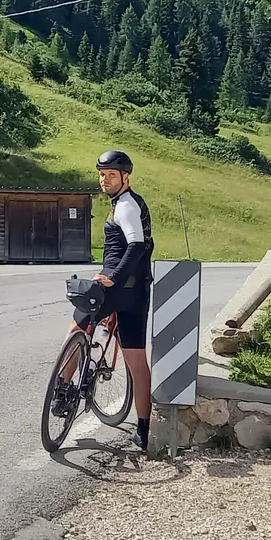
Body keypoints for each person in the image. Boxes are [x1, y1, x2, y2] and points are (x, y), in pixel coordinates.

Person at [76, 149, 155, 449]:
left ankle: (62, 390)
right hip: (139, 290)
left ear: (126, 177)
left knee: (76, 326)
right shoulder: (133, 204)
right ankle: (144, 431)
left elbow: (136, 245)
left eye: (111, 175)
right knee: (137, 360)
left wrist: (114, 278)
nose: (104, 180)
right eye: (101, 174)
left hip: (117, 286)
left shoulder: (125, 205)